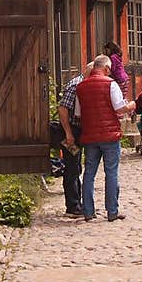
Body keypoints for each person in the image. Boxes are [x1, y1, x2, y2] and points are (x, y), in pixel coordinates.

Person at [74, 53, 137, 220]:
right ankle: (112, 211)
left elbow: (78, 114)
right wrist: (130, 105)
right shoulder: (111, 84)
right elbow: (119, 108)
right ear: (106, 68)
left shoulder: (80, 87)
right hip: (109, 136)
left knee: (89, 174)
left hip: (89, 136)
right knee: (111, 173)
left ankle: (88, 211)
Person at [57, 63, 93, 217]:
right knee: (72, 167)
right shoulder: (75, 85)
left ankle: (77, 203)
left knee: (76, 166)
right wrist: (68, 134)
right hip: (71, 131)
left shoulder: (84, 83)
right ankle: (72, 206)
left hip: (78, 131)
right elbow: (63, 109)